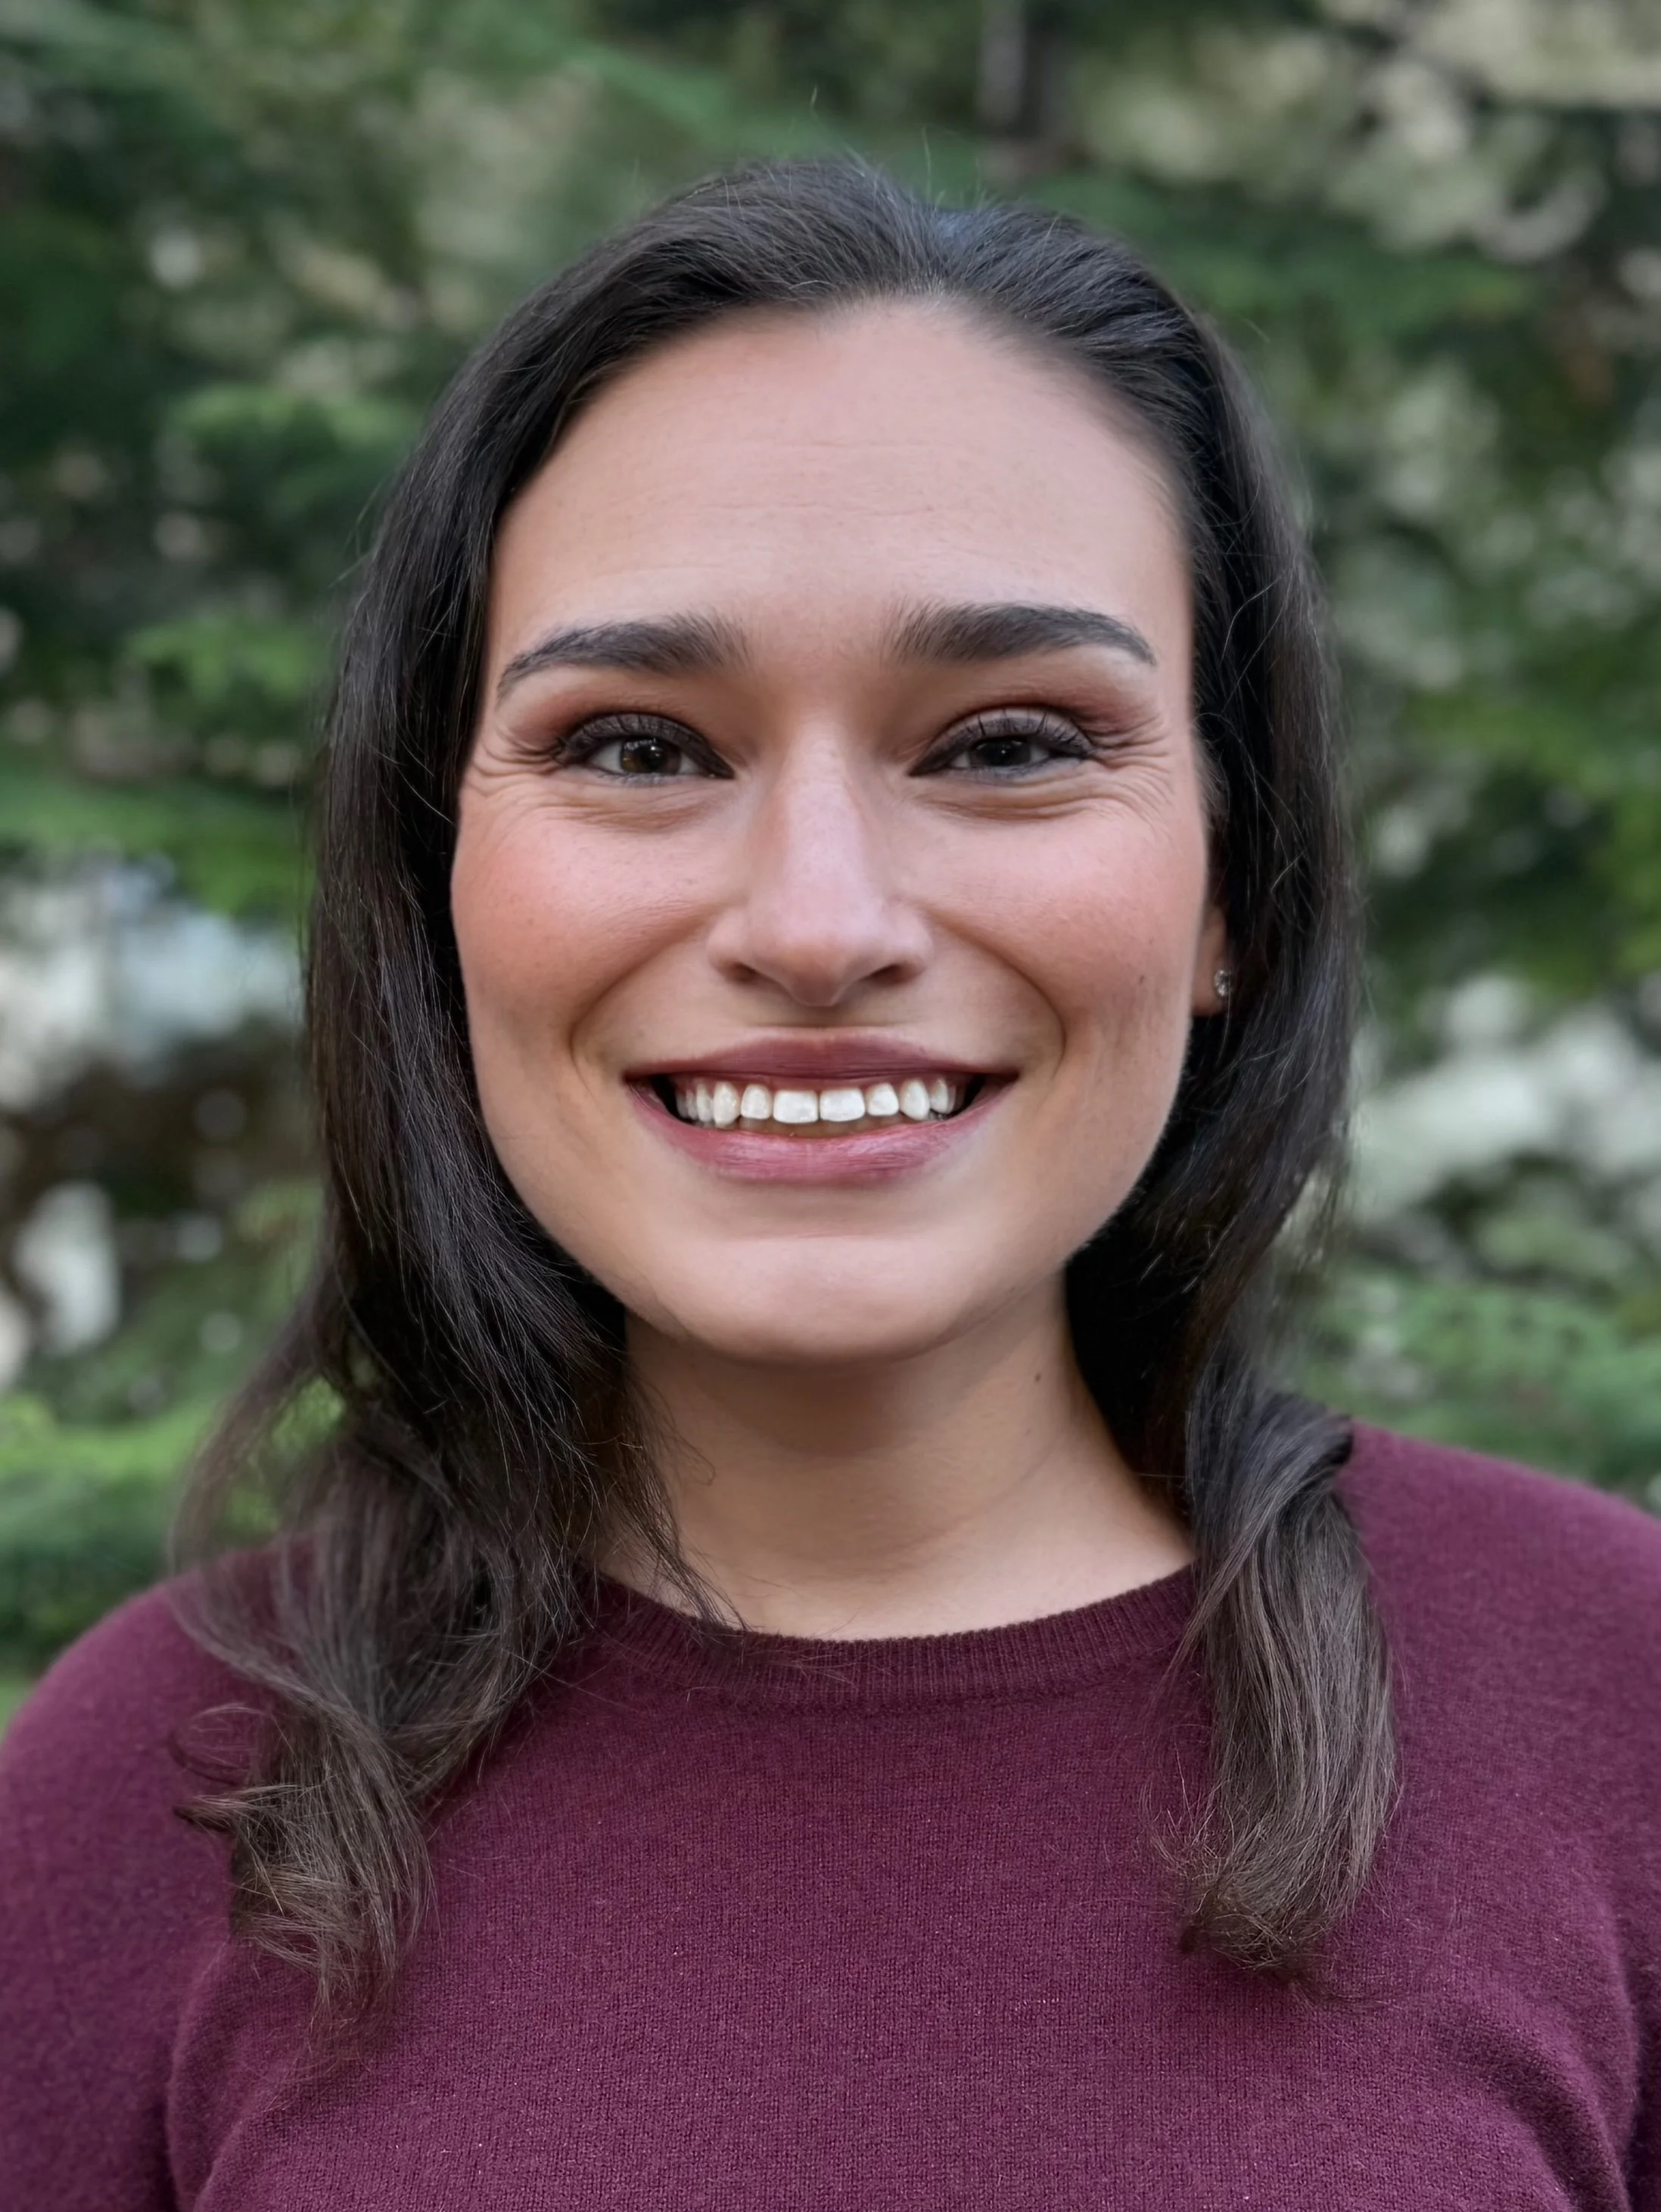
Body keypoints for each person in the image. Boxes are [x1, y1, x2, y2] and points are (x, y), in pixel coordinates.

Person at [3, 160, 1659, 2212]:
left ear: (1230, 878)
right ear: (445, 879)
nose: (816, 918)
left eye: (1006, 742)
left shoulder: (1613, 1706)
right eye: (635, 746)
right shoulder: (140, 1794)